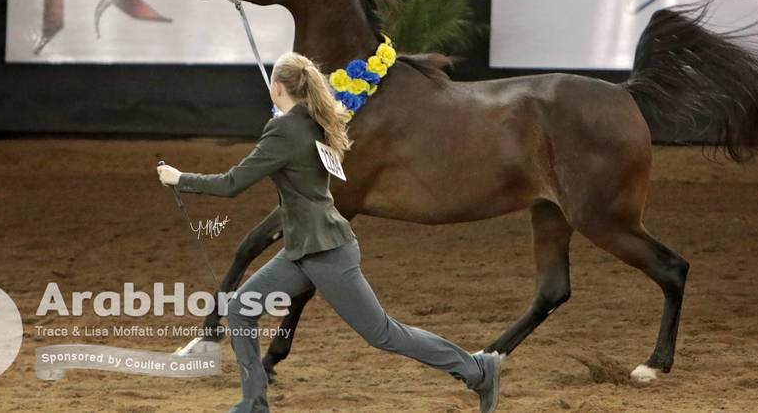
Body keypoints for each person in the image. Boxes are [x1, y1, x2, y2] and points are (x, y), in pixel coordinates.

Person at [157, 51, 503, 413]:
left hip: (324, 253)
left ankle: (478, 369)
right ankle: (253, 404)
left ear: (276, 88)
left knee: (383, 333)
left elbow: (232, 184)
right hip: (302, 249)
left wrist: (180, 179)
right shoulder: (311, 120)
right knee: (242, 309)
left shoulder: (285, 130)